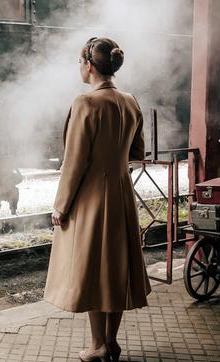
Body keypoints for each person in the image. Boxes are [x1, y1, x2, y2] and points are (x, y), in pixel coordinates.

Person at [43, 37, 152, 362]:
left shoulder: (85, 103)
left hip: (90, 199)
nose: (79, 68)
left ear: (89, 65)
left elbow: (74, 162)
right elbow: (138, 152)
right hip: (120, 194)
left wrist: (61, 205)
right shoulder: (130, 101)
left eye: (80, 62)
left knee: (91, 270)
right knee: (115, 270)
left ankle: (96, 345)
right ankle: (111, 343)